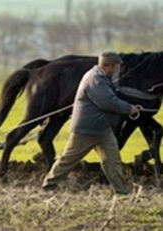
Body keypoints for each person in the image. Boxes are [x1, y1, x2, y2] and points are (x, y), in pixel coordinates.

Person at [42, 52, 140, 195]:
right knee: (68, 160)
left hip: (103, 130)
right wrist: (129, 109)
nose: (119, 68)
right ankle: (49, 185)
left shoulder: (104, 77)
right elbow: (107, 102)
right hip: (86, 130)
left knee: (113, 161)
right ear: (109, 65)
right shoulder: (95, 79)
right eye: (117, 65)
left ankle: (122, 191)